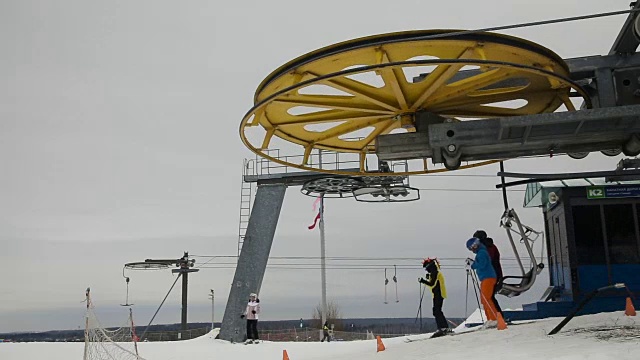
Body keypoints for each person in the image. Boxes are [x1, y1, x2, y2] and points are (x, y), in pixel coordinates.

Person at [466, 238, 499, 328]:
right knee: (484, 299)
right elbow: (480, 263)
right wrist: (473, 263)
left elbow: (482, 264)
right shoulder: (481, 253)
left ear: (475, 245)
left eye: (471, 248)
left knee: (486, 299)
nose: (472, 250)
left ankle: (494, 318)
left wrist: (472, 265)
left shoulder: (482, 253)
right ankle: (490, 319)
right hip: (485, 278)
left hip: (488, 277)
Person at [473, 230, 503, 314]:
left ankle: (498, 318)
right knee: (489, 297)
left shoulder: (486, 248)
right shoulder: (489, 246)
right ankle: (497, 317)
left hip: (491, 275)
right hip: (495, 273)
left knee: (488, 297)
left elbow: (485, 262)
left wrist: (474, 264)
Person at [418, 258, 451, 336]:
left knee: (437, 311)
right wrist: (428, 278)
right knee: (437, 310)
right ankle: (444, 327)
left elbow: (432, 284)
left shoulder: (434, 273)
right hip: (438, 294)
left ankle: (442, 328)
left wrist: (423, 281)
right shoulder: (435, 272)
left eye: (426, 268)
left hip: (438, 294)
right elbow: (433, 282)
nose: (426, 270)